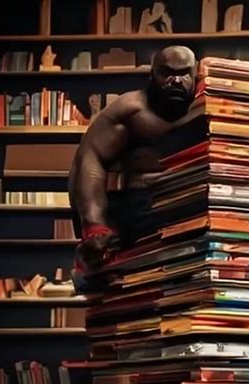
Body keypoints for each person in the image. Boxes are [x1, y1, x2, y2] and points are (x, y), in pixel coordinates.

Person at [68, 45, 198, 281]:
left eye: (184, 73)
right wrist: (94, 224)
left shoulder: (213, 105)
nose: (176, 80)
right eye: (167, 73)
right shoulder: (131, 111)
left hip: (192, 215)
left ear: (196, 73)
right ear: (151, 74)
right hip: (137, 215)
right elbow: (90, 157)